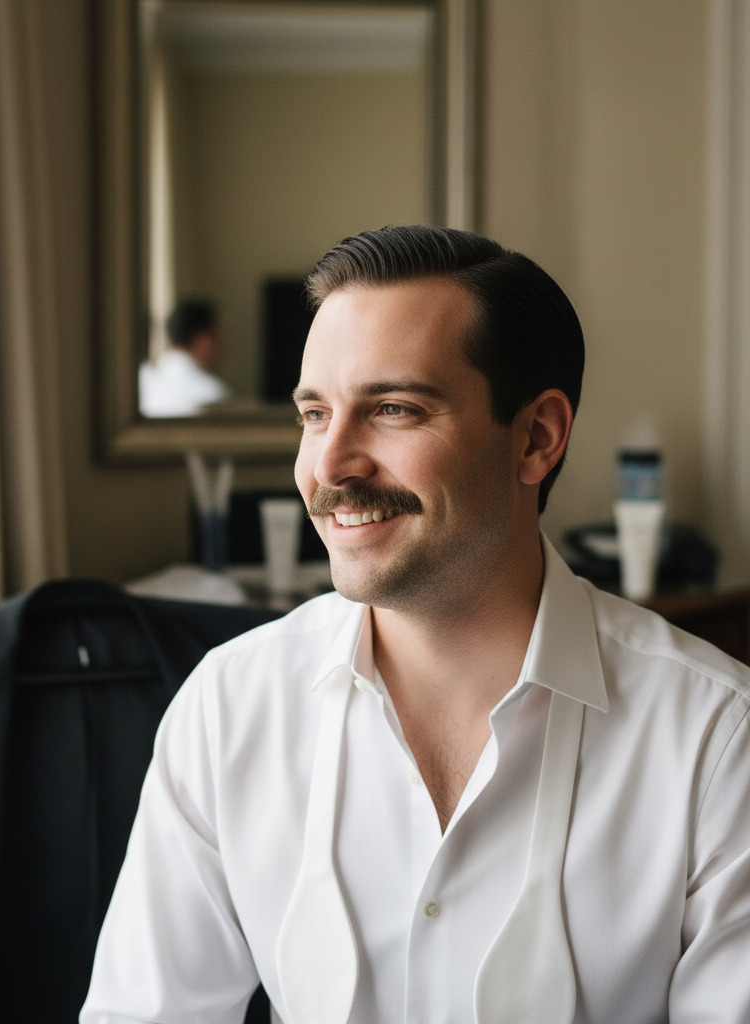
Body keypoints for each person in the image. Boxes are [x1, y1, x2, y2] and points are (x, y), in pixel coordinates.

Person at [81, 226, 750, 1023]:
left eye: (393, 409)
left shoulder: (716, 737)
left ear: (536, 437)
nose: (328, 466)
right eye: (314, 413)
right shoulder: (228, 708)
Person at [138, 299, 231, 417]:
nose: (223, 346)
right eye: (218, 336)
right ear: (204, 339)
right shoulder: (213, 395)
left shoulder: (144, 384)